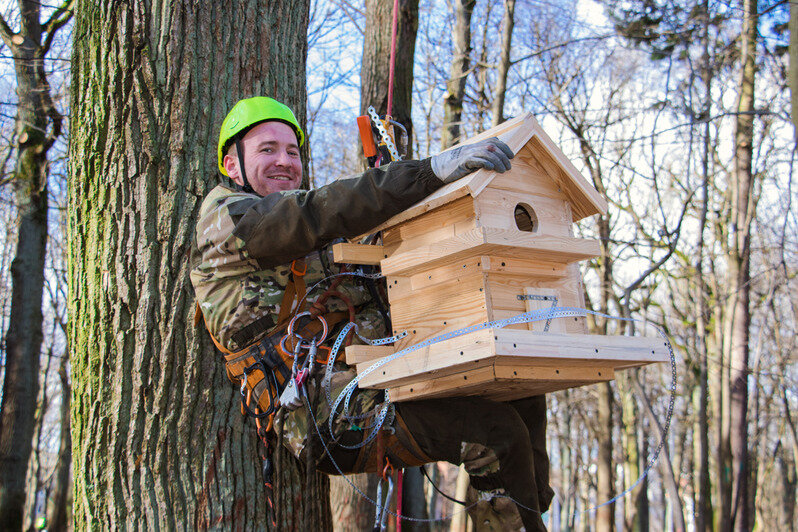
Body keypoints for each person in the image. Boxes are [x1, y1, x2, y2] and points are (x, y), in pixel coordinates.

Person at [191, 96, 554, 530]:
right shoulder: (228, 220)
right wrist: (427, 172)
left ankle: (532, 511)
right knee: (494, 433)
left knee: (517, 383)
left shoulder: (306, 243)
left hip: (376, 379)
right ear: (233, 166)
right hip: (325, 415)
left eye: (292, 151)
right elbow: (317, 212)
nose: (284, 161)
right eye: (267, 150)